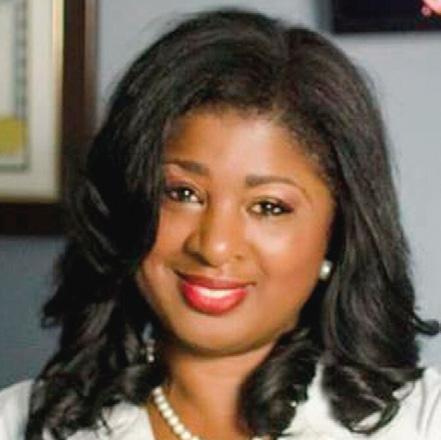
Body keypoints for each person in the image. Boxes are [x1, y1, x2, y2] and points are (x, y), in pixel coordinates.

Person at [1, 7, 440, 440]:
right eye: (182, 194)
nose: (214, 246)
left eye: (268, 206)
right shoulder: (17, 423)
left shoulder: (425, 422)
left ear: (338, 233)